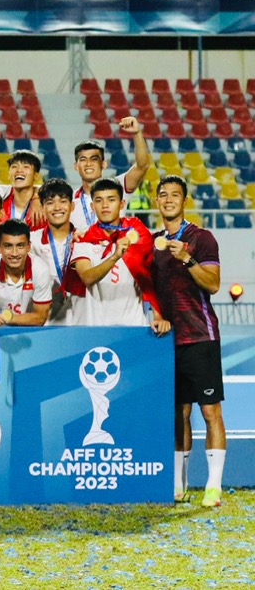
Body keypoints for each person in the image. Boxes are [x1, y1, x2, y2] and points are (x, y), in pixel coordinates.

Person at [151, 175, 226, 507]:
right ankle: (178, 483)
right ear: (156, 202)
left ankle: (213, 485)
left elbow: (213, 285)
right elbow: (149, 290)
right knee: (178, 413)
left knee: (209, 411)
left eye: (175, 195)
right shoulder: (153, 243)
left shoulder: (201, 238)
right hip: (168, 340)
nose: (168, 200)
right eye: (163, 195)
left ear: (184, 200)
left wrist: (187, 259)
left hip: (200, 336)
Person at [64, 178, 169, 332]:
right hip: (97, 329)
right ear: (92, 206)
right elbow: (87, 277)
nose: (105, 205)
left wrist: (158, 316)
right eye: (99, 200)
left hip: (134, 327)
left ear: (122, 204)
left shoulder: (138, 235)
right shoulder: (84, 239)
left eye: (111, 199)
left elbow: (150, 276)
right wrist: (115, 256)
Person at [69, 118, 151, 233]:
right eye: (83, 159)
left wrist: (137, 134)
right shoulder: (69, 200)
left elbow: (142, 166)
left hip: (117, 250)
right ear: (76, 166)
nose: (88, 164)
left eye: (94, 159)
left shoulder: (118, 187)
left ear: (104, 164)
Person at [0, 219, 53, 328]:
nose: (14, 253)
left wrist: (6, 318)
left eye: (20, 246)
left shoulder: (40, 269)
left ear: (28, 247)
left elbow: (40, 318)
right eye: (8, 246)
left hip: (32, 332)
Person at [30, 178, 79, 325]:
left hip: (80, 321)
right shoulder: (31, 242)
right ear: (43, 208)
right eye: (50, 203)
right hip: (46, 321)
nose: (57, 207)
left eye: (63, 201)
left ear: (72, 206)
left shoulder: (84, 239)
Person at [1, 151, 45, 229]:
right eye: (14, 166)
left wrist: (37, 198)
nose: (19, 170)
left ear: (36, 176)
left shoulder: (44, 207)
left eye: (26, 167)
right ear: (9, 174)